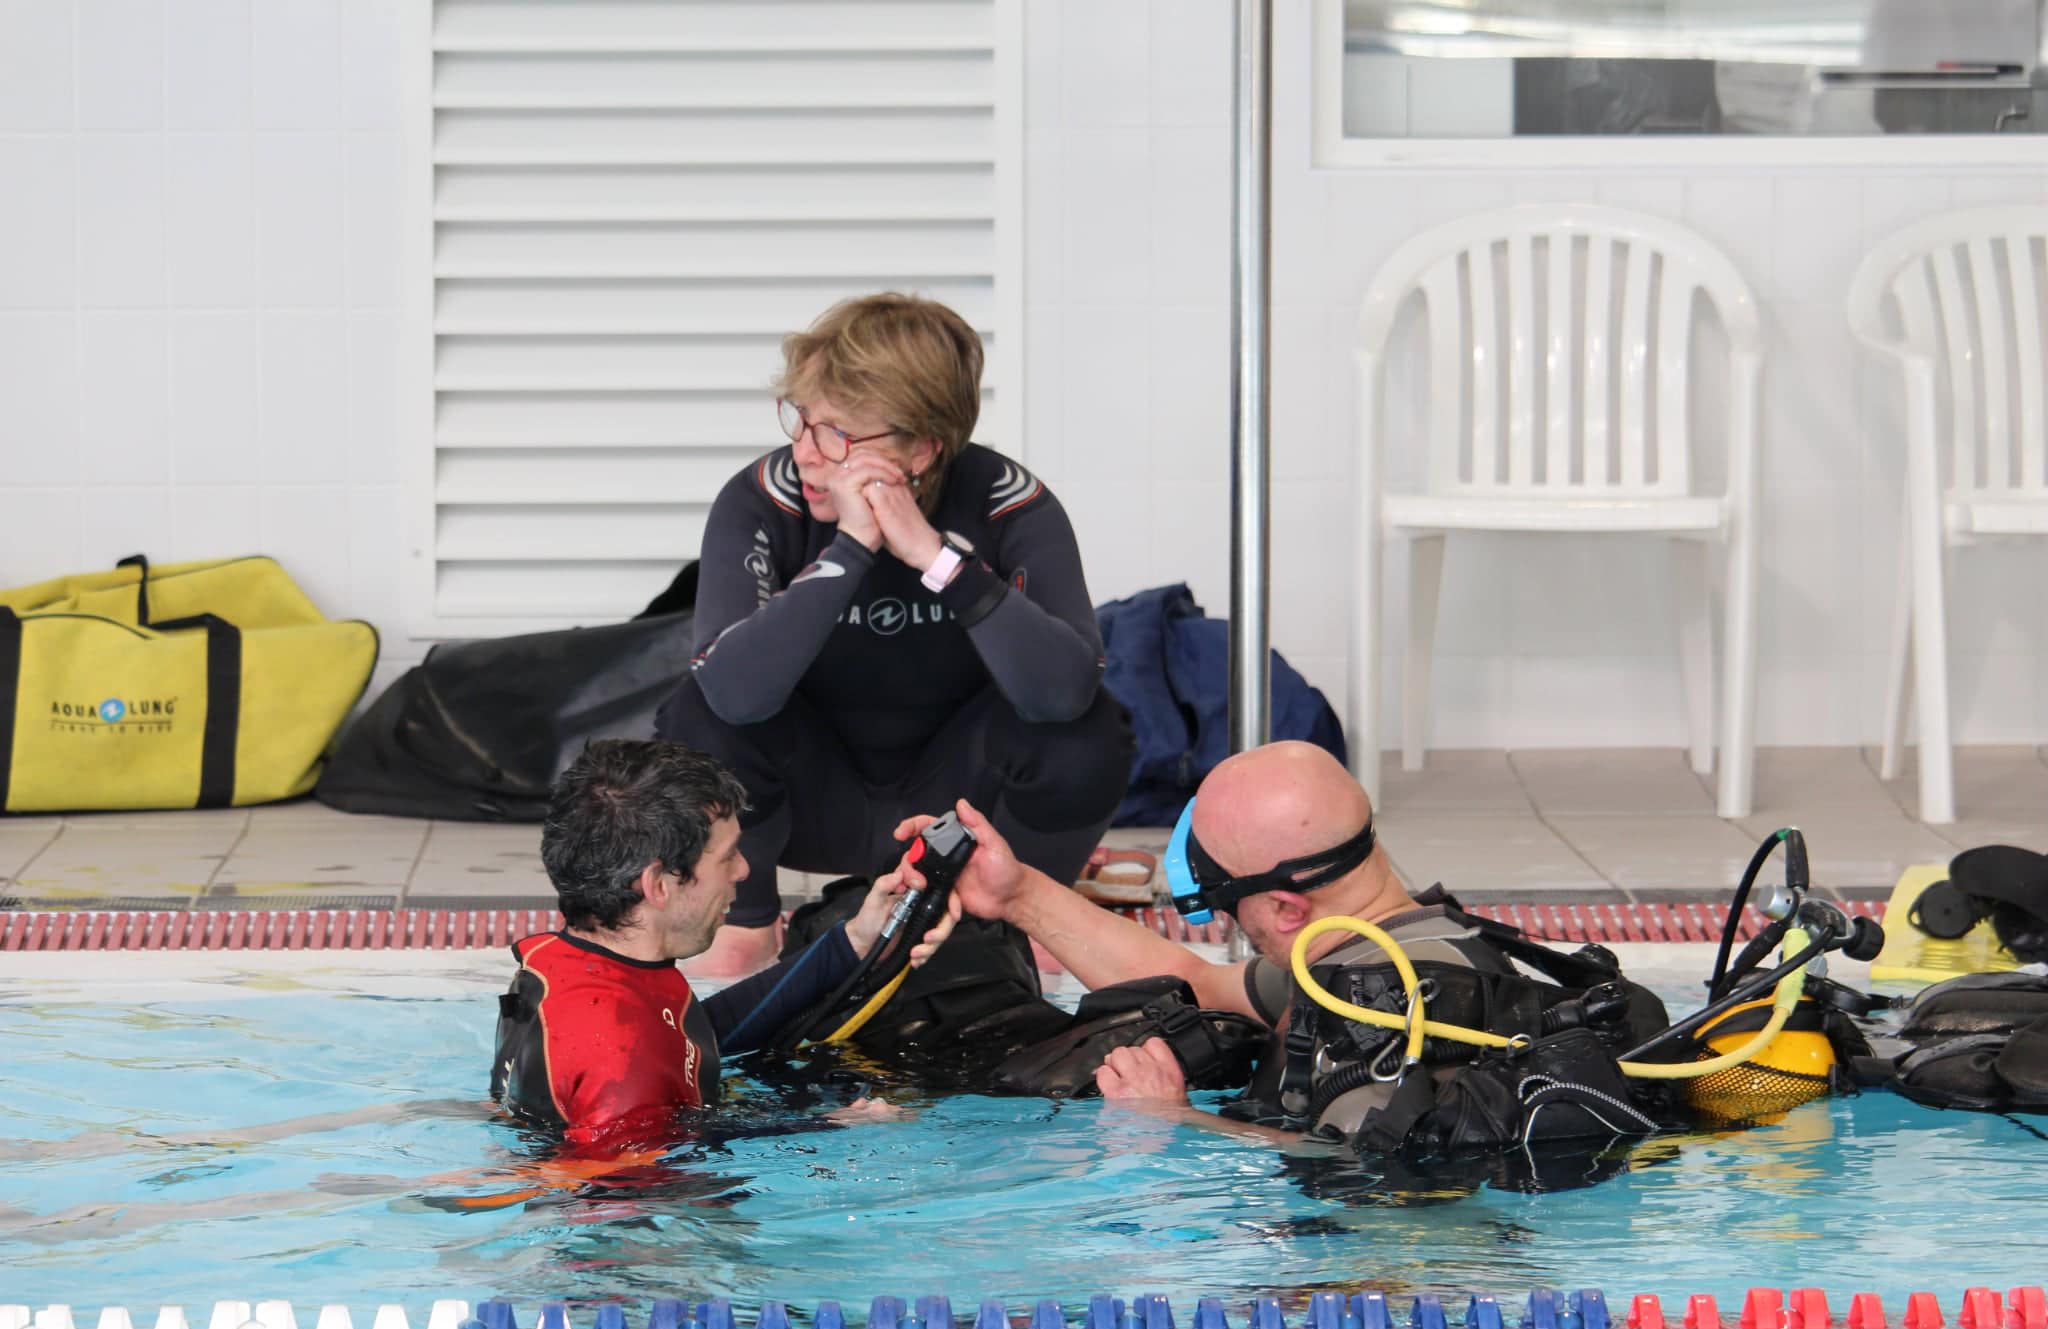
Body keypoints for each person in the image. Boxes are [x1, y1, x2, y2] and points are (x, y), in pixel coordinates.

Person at [655, 292, 1133, 977]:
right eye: (801, 419)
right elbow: (732, 693)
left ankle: (1022, 920)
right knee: (696, 711)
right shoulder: (764, 496)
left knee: (1090, 730)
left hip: (960, 810)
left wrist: (939, 561)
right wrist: (850, 550)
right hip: (810, 798)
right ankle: (745, 926)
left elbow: (1064, 692)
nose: (805, 453)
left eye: (837, 435)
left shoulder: (1005, 501)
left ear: (922, 449)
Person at [905, 741, 1666, 1150]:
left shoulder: (1382, 1014)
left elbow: (1386, 1210)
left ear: (1286, 905)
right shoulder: (1383, 948)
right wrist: (1017, 894)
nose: (1230, 923)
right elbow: (1194, 982)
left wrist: (1170, 1120)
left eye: (1230, 904)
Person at [491, 739, 958, 1149]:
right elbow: (644, 1188)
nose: (744, 870)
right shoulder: (619, 1056)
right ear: (659, 884)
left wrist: (854, 942)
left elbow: (696, 1036)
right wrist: (831, 1126)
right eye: (728, 855)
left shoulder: (582, 968)